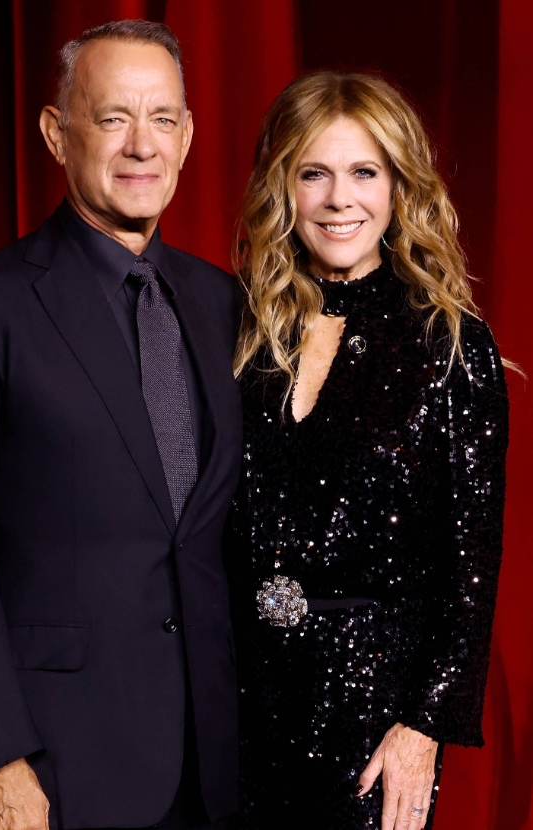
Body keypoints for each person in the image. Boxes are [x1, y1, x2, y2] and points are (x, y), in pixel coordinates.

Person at [0, 20, 241, 830]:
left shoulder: (222, 304)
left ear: (189, 136)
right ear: (57, 136)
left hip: (217, 765)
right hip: (59, 766)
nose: (142, 145)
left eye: (163, 119)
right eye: (112, 118)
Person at [227, 72, 509, 830]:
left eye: (364, 172)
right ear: (282, 187)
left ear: (397, 187)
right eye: (312, 173)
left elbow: (472, 562)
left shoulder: (448, 345)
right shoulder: (241, 331)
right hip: (237, 697)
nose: (337, 199)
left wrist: (423, 727)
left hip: (373, 714)